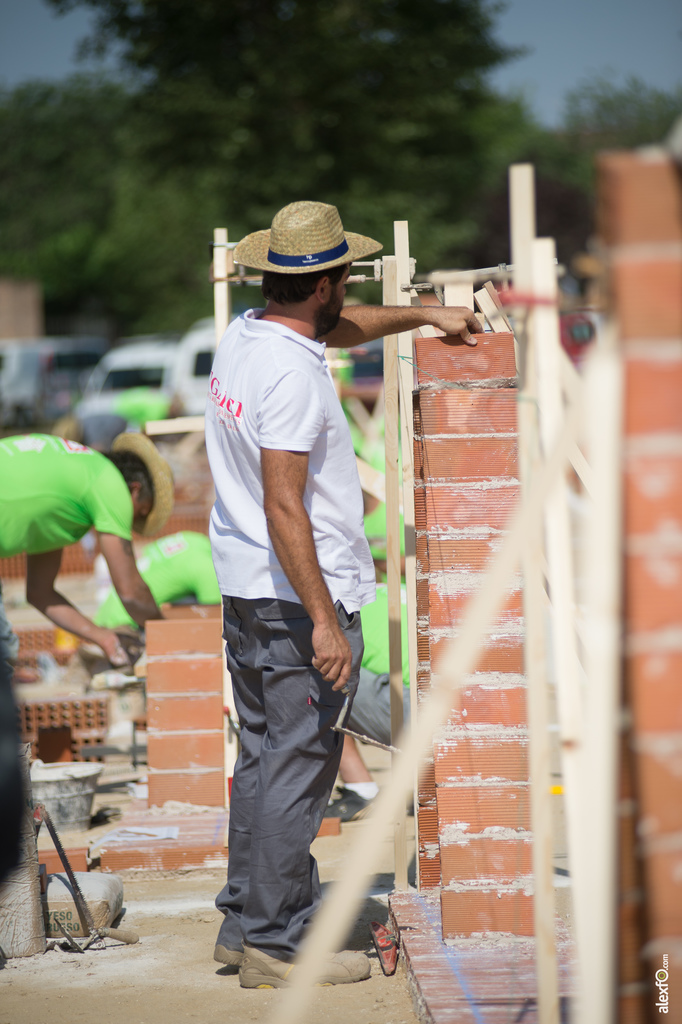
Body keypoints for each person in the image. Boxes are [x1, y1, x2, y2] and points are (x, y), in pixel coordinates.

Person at [205, 200, 481, 989]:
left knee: (262, 763)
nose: (348, 290)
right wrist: (324, 621)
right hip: (295, 600)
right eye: (344, 279)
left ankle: (243, 921)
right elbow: (283, 502)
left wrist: (431, 316)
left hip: (250, 592)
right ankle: (277, 945)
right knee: (295, 773)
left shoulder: (250, 333)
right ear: (322, 283)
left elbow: (343, 325)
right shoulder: (291, 374)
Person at [0, 432, 174, 667]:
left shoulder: (73, 488)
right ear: (134, 490)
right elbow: (130, 591)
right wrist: (168, 635)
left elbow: (40, 593)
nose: (130, 524)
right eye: (141, 511)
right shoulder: (110, 483)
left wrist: (104, 638)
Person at [324, 583, 410, 822]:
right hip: (463, 717)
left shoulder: (342, 609)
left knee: (319, 678)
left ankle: (361, 790)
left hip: (422, 722)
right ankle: (425, 784)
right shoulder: (393, 589)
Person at [94, 531, 220, 629]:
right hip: (125, 625)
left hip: (105, 616)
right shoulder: (205, 566)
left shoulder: (192, 540)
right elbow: (214, 614)